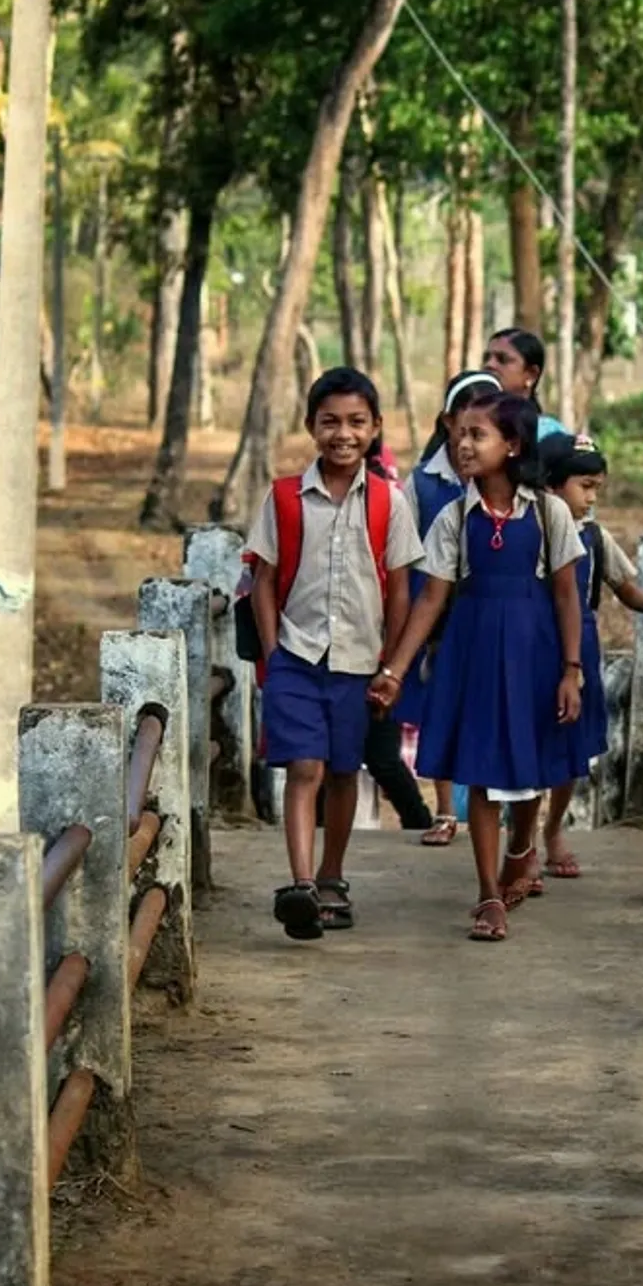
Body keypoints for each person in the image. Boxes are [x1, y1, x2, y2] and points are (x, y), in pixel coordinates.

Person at [369, 393, 585, 943]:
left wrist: (571, 669)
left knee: (530, 768)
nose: (462, 445)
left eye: (477, 435)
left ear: (511, 445)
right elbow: (431, 599)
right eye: (459, 434)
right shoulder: (453, 518)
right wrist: (395, 671)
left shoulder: (549, 513)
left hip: (534, 653)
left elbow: (566, 595)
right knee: (482, 768)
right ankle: (489, 892)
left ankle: (521, 849)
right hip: (476, 652)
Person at [247, 366, 423, 941]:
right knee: (306, 768)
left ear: (375, 428)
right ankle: (300, 885)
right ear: (310, 427)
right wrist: (273, 653)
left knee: (345, 771)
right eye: (330, 422)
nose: (343, 434)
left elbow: (400, 589)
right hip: (297, 657)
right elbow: (264, 581)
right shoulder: (283, 498)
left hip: (360, 663)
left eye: (356, 422)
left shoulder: (390, 502)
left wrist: (390, 664)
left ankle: (331, 876)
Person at [539, 431, 643, 877]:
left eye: (597, 488)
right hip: (533, 646)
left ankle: (553, 830)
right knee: (528, 741)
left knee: (572, 749)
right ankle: (519, 842)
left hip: (580, 648)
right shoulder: (528, 531)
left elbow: (622, 584)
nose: (592, 498)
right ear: (551, 485)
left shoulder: (594, 537)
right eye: (585, 486)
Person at [399, 367, 503, 845]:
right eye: (465, 426)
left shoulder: (509, 482)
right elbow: (403, 555)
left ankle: (493, 807)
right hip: (438, 614)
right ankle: (444, 810)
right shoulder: (423, 484)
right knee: (440, 707)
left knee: (492, 707)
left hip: (494, 609)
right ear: (447, 422)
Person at [482, 327, 567, 440]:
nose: (489, 365)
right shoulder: (470, 425)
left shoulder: (549, 434)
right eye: (486, 358)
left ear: (531, 374)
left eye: (502, 359)